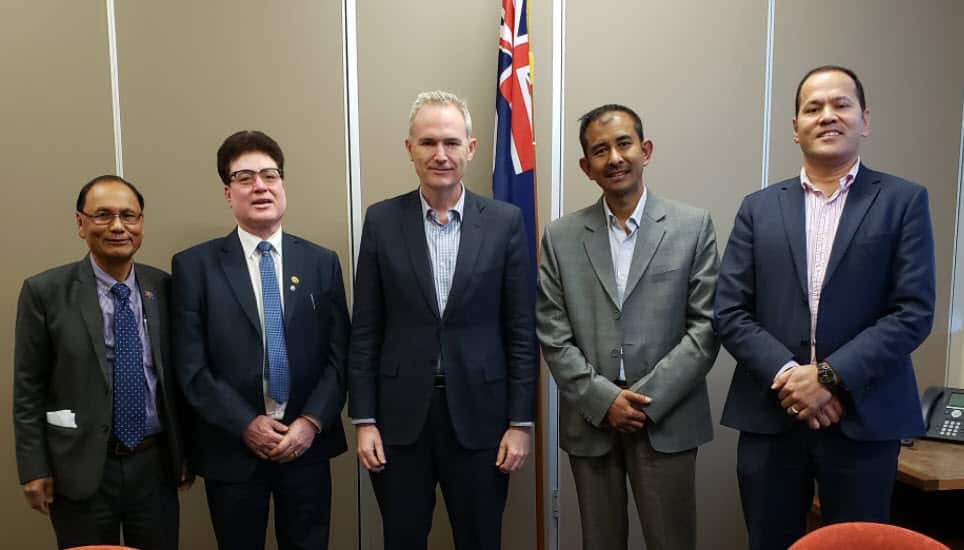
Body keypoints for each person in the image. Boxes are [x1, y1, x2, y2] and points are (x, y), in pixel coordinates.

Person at [715, 65, 936, 550]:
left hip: (864, 418)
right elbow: (729, 310)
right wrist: (794, 378)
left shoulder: (903, 201)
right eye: (812, 108)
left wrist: (829, 377)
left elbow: (913, 311)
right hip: (771, 418)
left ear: (865, 119)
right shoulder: (758, 207)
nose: (827, 116)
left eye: (841, 104)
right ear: (795, 128)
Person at [348, 91, 537, 550]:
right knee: (403, 539)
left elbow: (520, 330)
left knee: (480, 539)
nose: (440, 154)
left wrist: (520, 422)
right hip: (398, 419)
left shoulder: (505, 222)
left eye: (451, 143)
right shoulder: (381, 220)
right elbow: (366, 328)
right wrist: (365, 419)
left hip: (483, 418)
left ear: (471, 149)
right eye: (428, 142)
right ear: (409, 148)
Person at [537, 104, 720, 550]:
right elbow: (552, 333)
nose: (615, 157)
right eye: (600, 150)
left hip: (667, 418)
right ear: (586, 167)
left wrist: (640, 401)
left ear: (646, 149)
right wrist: (604, 400)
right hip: (592, 421)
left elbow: (706, 328)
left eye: (624, 144)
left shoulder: (692, 227)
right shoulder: (560, 237)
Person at [172, 130, 349, 550]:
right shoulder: (195, 266)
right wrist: (245, 424)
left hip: (305, 447)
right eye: (245, 177)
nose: (260, 186)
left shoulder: (321, 262)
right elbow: (190, 366)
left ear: (283, 184)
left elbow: (340, 356)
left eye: (270, 174)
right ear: (227, 192)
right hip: (232, 450)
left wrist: (311, 422)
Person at [14, 175, 188, 550]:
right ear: (80, 223)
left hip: (154, 465)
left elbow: (180, 376)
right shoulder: (44, 292)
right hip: (80, 467)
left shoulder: (165, 288)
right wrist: (33, 467)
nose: (117, 226)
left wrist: (186, 454)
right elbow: (28, 388)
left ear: (141, 223)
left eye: (129, 216)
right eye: (103, 215)